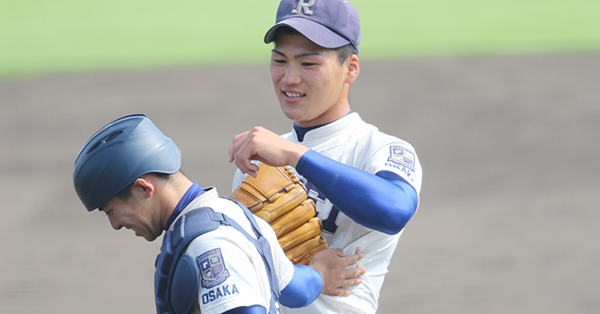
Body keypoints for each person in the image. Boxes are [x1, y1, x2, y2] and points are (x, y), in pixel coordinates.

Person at [228, 0, 423, 313]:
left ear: (351, 68)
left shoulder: (380, 149)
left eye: (308, 64)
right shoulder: (259, 159)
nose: (290, 78)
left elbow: (394, 210)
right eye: (280, 60)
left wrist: (296, 155)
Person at [73, 114, 355, 314]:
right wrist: (320, 274)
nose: (113, 224)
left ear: (143, 188)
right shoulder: (234, 214)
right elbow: (294, 288)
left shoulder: (209, 245)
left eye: (111, 210)